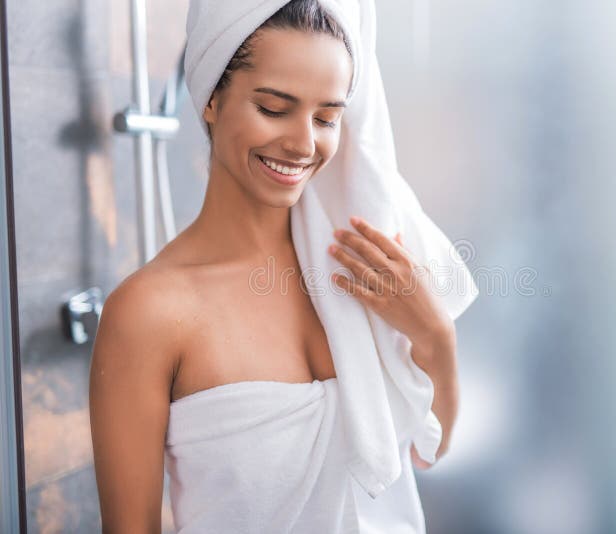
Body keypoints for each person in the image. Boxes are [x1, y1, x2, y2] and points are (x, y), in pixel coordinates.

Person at [89, 0, 463, 532]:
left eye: (326, 117)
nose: (304, 143)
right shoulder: (148, 313)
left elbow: (431, 446)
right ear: (212, 99)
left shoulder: (365, 270)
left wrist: (435, 334)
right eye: (273, 108)